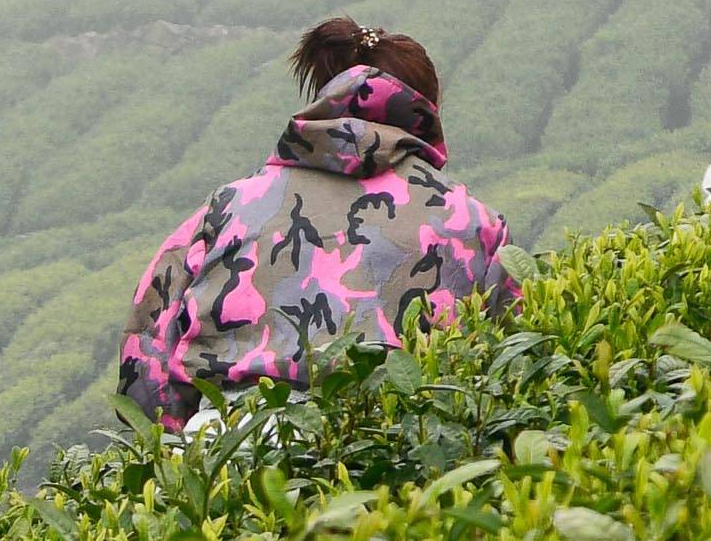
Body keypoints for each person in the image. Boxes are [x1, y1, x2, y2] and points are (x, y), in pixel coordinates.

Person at [112, 21, 524, 430]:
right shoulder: (473, 223)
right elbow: (513, 370)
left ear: (324, 95)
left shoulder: (226, 208)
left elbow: (146, 355)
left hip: (234, 449)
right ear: (425, 109)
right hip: (398, 451)